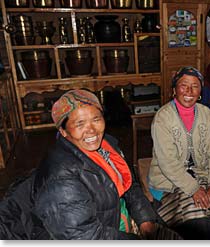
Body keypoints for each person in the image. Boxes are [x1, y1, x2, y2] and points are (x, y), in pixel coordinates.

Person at [0, 89, 161, 239]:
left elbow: (130, 185)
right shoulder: (60, 179)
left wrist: (145, 221)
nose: (91, 130)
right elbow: (84, 236)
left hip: (113, 219)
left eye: (96, 119)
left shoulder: (107, 147)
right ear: (63, 132)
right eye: (79, 124)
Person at [148, 66, 210, 240]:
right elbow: (168, 164)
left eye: (195, 86)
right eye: (183, 85)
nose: (189, 91)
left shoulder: (206, 115)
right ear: (174, 90)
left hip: (201, 177)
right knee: (197, 219)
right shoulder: (163, 117)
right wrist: (195, 189)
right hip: (168, 182)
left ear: (201, 91)